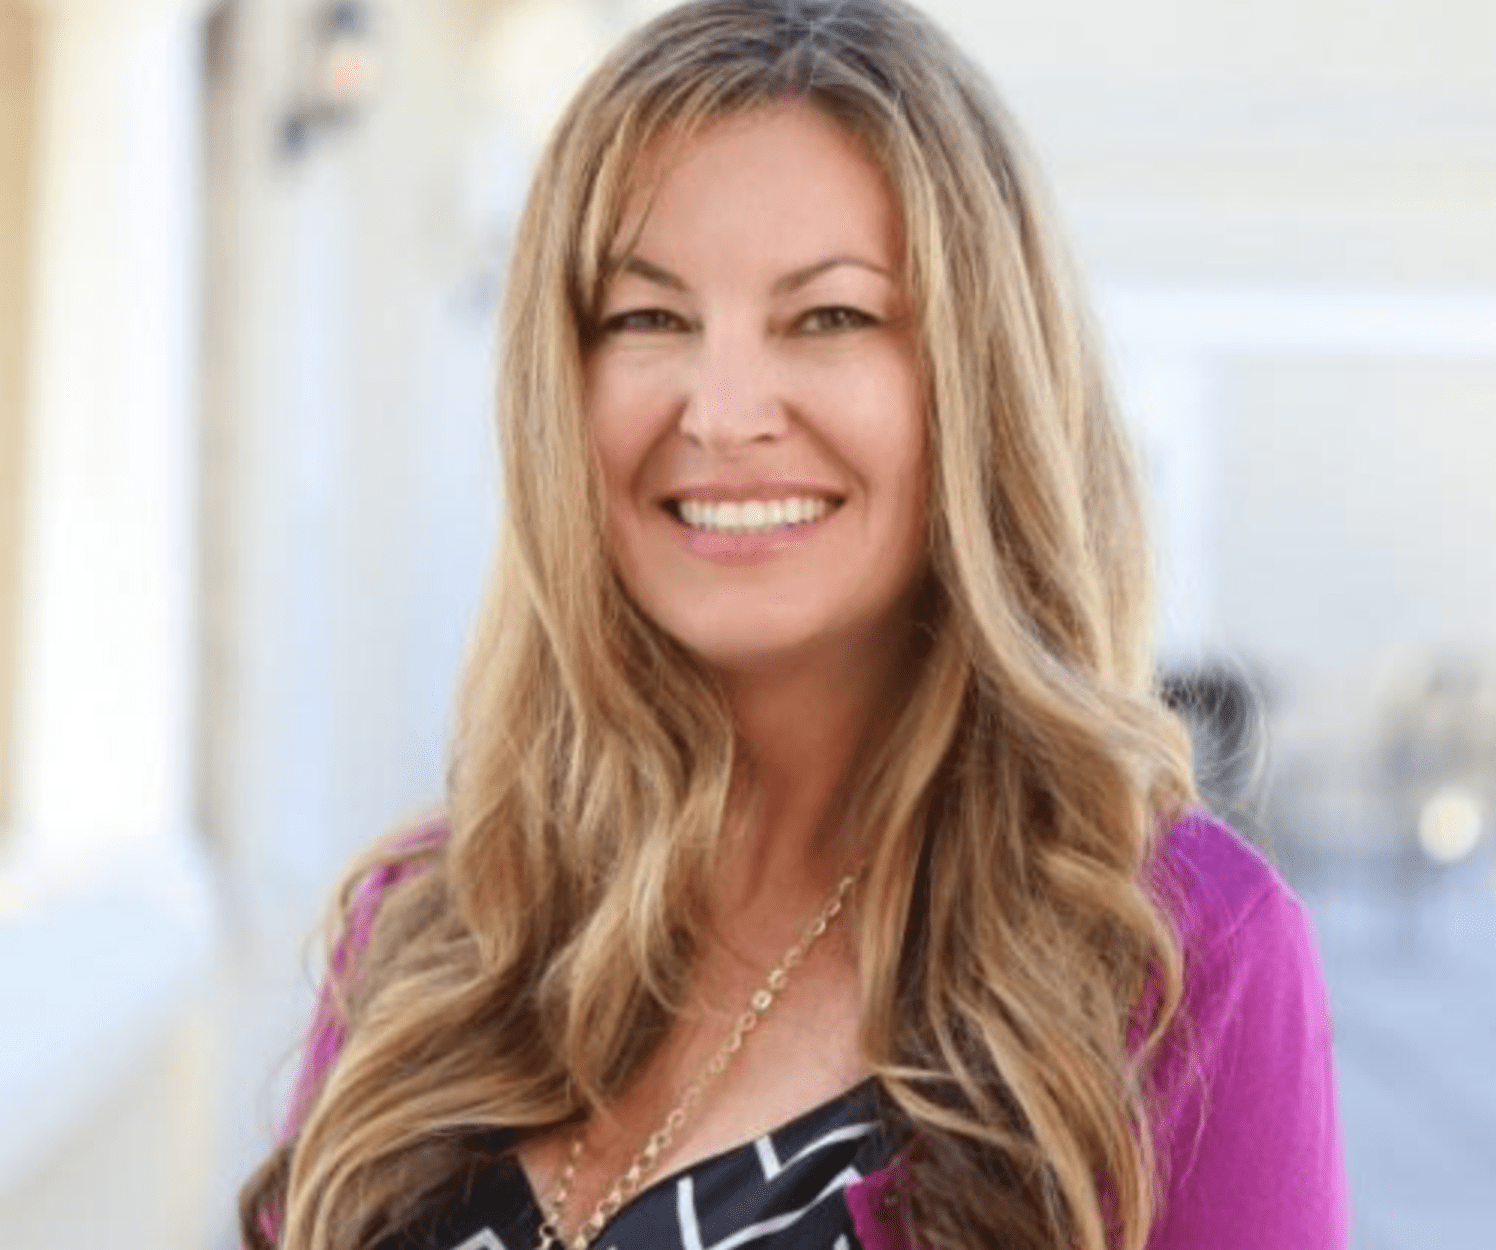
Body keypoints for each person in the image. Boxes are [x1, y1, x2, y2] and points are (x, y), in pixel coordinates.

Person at [240, 2, 1347, 1248]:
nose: (719, 410)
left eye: (830, 317)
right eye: (646, 318)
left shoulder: (1170, 959)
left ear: (976, 384)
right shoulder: (430, 934)